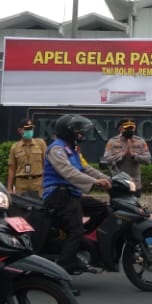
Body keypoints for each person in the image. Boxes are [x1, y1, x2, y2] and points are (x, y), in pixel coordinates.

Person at [42, 114, 113, 275]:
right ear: (67, 131)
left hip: (71, 196)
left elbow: (86, 168)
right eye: (77, 130)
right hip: (57, 197)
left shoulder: (72, 150)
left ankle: (79, 240)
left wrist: (110, 180)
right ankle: (63, 270)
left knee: (102, 209)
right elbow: (68, 172)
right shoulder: (56, 149)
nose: (81, 133)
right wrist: (94, 182)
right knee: (76, 231)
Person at [102, 118, 151, 192]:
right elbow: (107, 159)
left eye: (131, 128)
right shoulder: (112, 142)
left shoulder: (140, 141)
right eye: (127, 128)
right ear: (120, 128)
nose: (129, 130)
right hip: (118, 181)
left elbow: (148, 160)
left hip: (135, 182)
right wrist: (123, 154)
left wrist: (133, 155)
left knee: (133, 203)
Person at [6, 118, 47, 196]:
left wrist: (47, 183)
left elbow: (46, 165)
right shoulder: (15, 147)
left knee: (39, 206)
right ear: (20, 131)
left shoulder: (40, 143)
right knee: (21, 206)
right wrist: (9, 189)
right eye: (27, 129)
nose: (30, 131)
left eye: (31, 128)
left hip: (37, 182)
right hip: (21, 183)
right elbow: (11, 169)